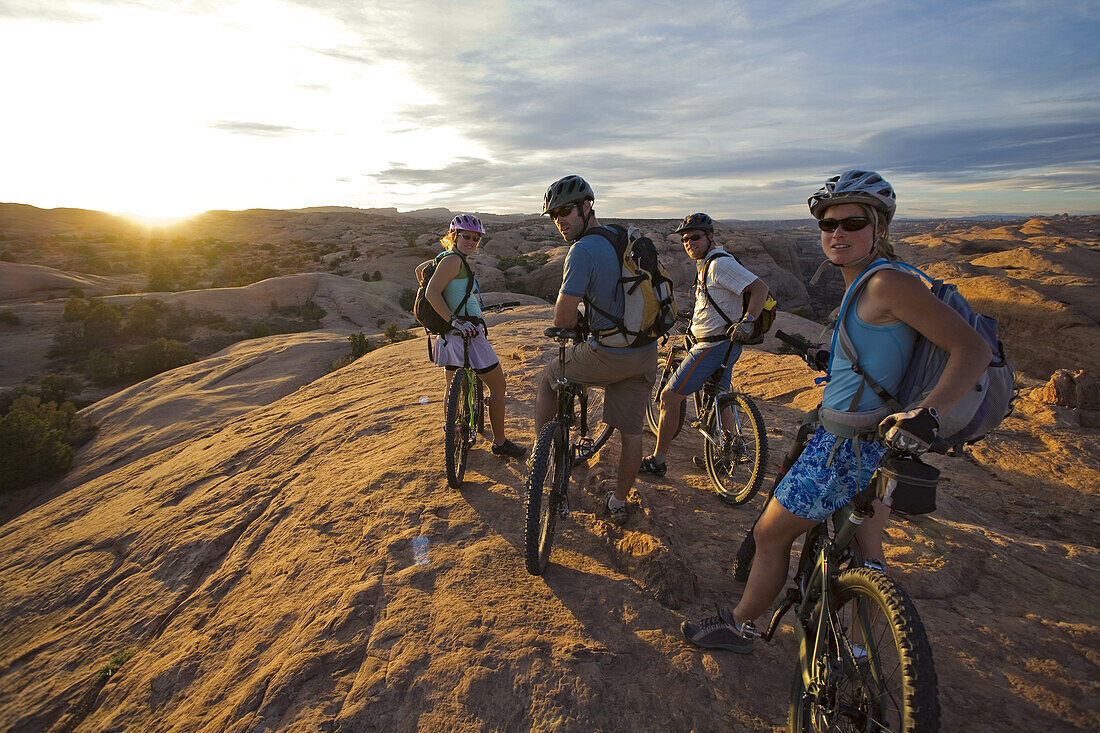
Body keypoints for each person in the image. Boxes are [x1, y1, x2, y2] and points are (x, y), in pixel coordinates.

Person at [682, 170, 992, 653]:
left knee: (769, 536)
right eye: (828, 225)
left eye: (852, 223)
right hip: (883, 446)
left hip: (846, 446)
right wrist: (841, 362)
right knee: (867, 554)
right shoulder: (876, 280)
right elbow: (891, 351)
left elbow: (972, 349)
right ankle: (858, 653)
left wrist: (929, 413)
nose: (837, 233)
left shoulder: (885, 282)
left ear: (880, 229)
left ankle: (739, 625)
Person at [534, 175, 658, 522]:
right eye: (555, 214)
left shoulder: (582, 250)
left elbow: (563, 316)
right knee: (632, 433)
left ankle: (538, 457)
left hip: (609, 354)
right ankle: (618, 502)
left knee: (548, 377)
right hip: (645, 351)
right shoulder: (622, 236)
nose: (560, 220)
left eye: (566, 211)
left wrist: (571, 325)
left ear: (586, 207)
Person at [638, 213, 770, 477]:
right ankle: (727, 453)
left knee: (669, 396)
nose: (689, 243)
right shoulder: (707, 265)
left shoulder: (719, 264)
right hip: (722, 344)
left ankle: (658, 460)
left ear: (710, 237)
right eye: (685, 239)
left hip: (712, 347)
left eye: (695, 237)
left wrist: (748, 321)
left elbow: (760, 288)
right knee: (720, 396)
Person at [419, 214, 525, 458]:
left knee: (451, 385)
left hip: (447, 337)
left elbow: (420, 273)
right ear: (454, 236)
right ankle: (500, 443)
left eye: (476, 238)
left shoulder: (442, 258)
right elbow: (431, 292)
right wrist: (454, 318)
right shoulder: (453, 261)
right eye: (466, 236)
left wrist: (449, 306)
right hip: (465, 333)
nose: (471, 242)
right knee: (498, 386)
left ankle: (455, 430)